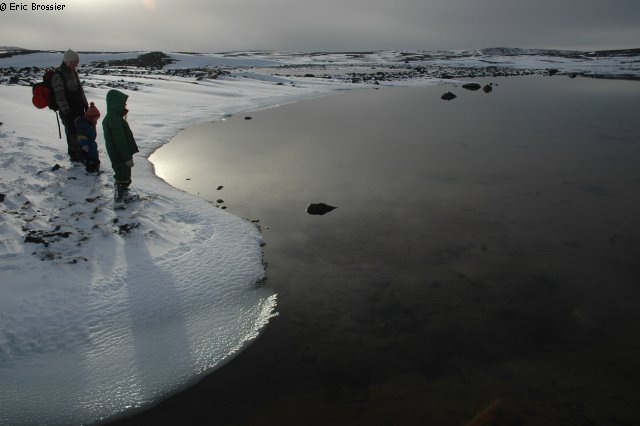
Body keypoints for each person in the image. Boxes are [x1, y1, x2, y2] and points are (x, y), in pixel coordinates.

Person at [51, 49, 89, 163]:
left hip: (78, 107)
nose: (76, 64)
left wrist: (85, 103)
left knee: (81, 131)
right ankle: (75, 156)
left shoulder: (73, 72)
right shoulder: (58, 75)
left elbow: (79, 90)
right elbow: (59, 96)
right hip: (68, 110)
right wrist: (66, 111)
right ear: (68, 62)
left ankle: (82, 152)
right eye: (75, 62)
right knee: (72, 133)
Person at [102, 89, 139, 204]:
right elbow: (120, 140)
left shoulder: (113, 117)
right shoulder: (115, 120)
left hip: (117, 153)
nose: (125, 105)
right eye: (123, 103)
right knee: (123, 174)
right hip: (120, 154)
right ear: (116, 103)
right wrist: (127, 157)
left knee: (122, 173)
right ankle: (119, 197)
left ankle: (123, 194)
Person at [75, 102, 101, 173]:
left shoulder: (91, 124)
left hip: (91, 144)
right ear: (90, 117)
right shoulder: (85, 125)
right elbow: (80, 136)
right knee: (90, 158)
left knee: (94, 154)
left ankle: (95, 167)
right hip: (87, 146)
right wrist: (84, 144)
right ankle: (91, 169)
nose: (96, 121)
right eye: (95, 119)